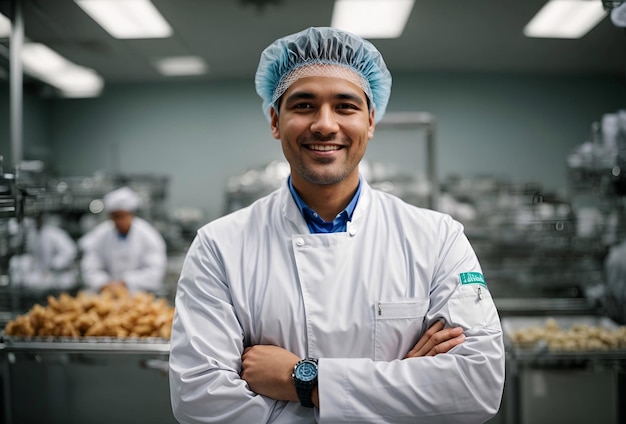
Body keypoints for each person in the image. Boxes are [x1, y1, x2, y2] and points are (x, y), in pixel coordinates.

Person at [169, 27, 504, 423]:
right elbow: (199, 399)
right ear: (275, 121)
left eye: (345, 106)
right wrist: (402, 384)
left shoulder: (437, 238)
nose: (325, 125)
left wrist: (302, 382)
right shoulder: (219, 246)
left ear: (371, 120)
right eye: (304, 105)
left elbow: (475, 385)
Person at [79, 186, 167, 293]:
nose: (118, 221)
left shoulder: (148, 235)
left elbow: (155, 272)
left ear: (131, 214)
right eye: (114, 217)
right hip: (106, 296)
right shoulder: (101, 235)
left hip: (140, 297)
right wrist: (103, 283)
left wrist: (126, 282)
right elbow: (90, 266)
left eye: (121, 216)